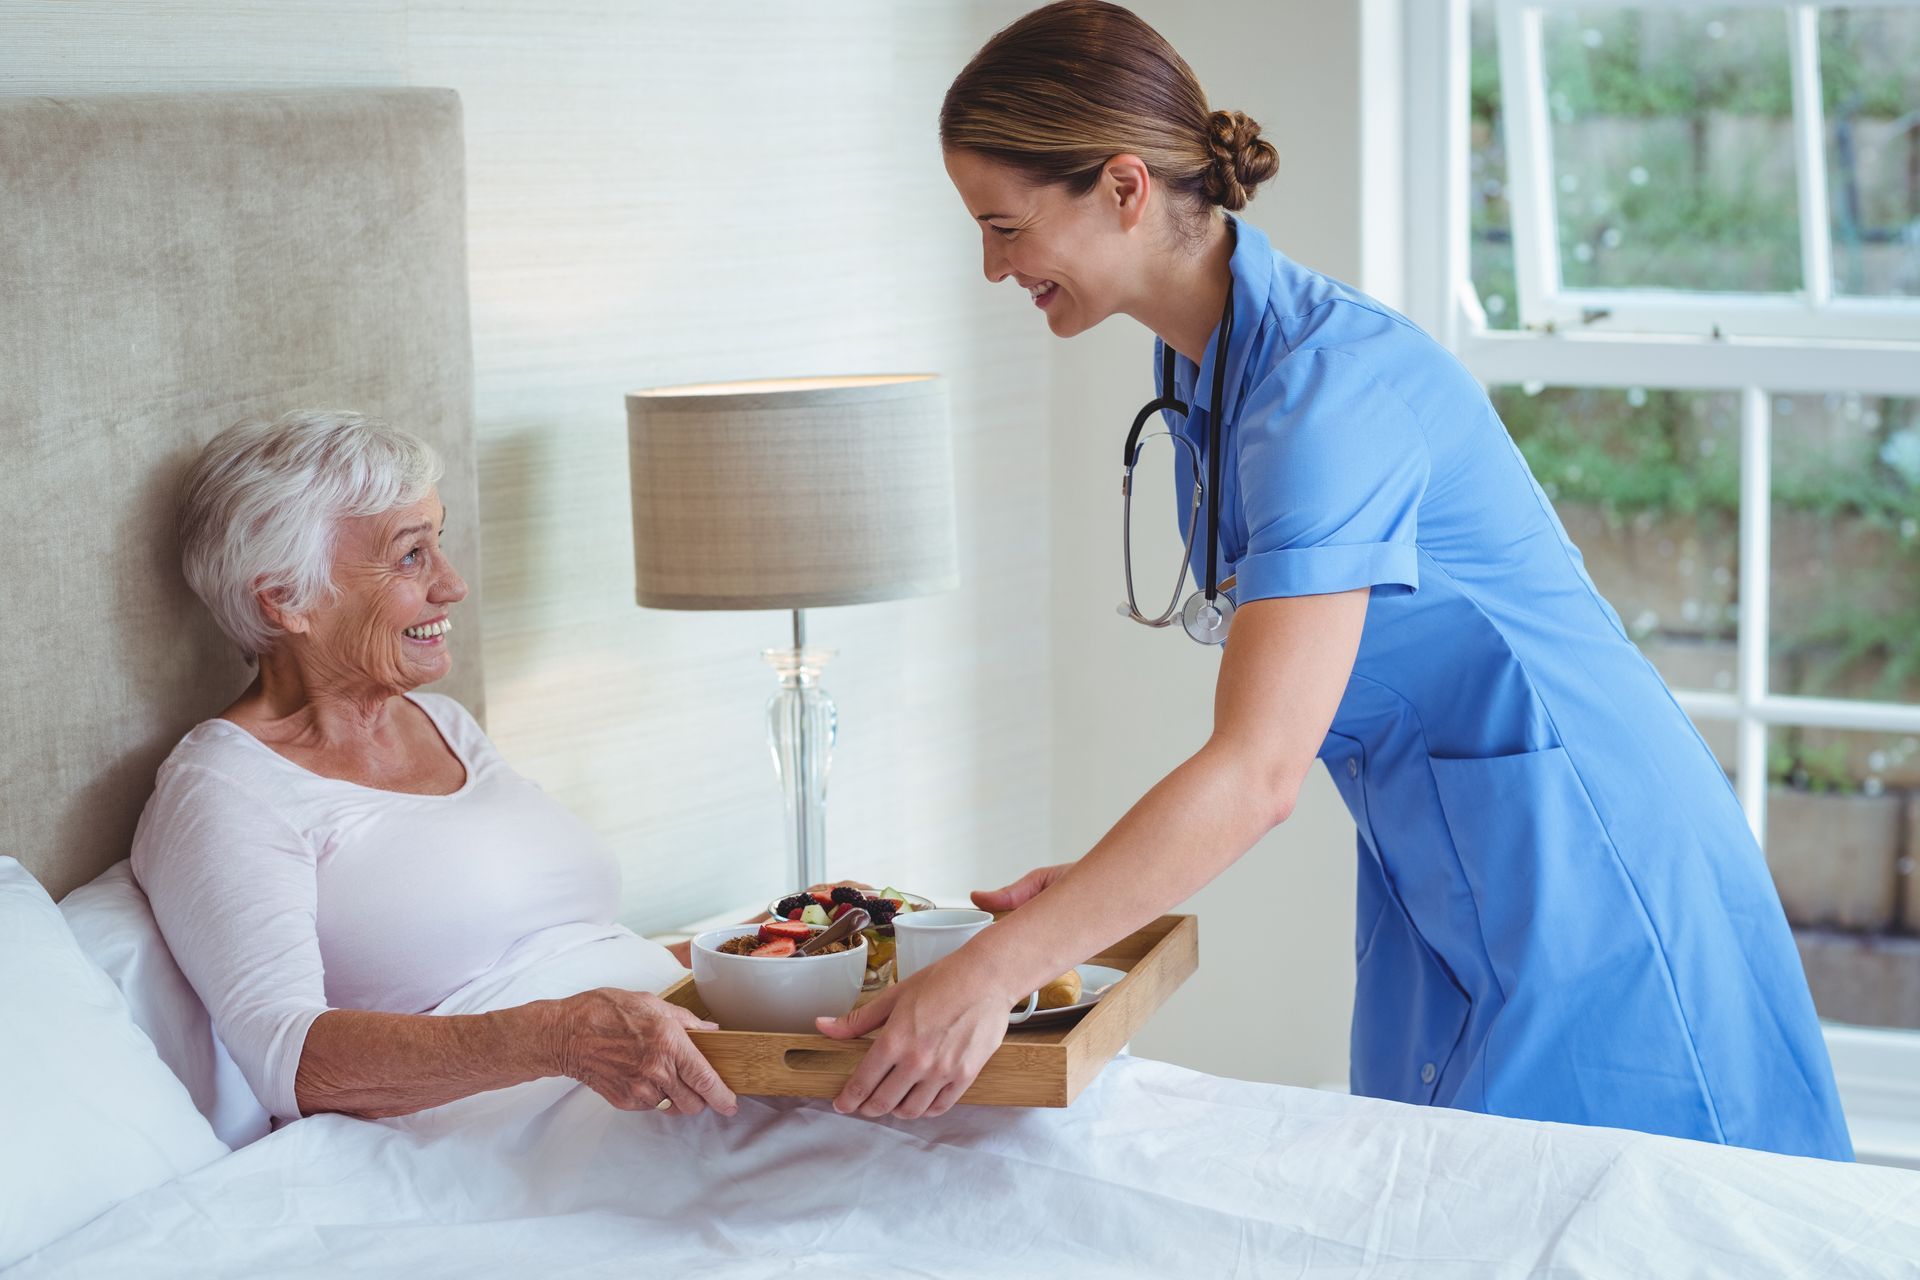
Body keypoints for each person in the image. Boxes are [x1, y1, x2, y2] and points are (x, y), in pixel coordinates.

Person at [817, 0, 1852, 1161]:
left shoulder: (1326, 393)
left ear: (1121, 187)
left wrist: (995, 968)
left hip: (1593, 864)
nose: (995, 265)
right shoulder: (1212, 369)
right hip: (1446, 863)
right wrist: (1087, 898)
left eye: (1005, 225)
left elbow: (1259, 769)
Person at [134, 410, 738, 1123]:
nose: (452, 585)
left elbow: (562, 956)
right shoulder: (225, 788)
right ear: (286, 600)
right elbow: (288, 1062)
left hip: (657, 1081)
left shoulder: (443, 722)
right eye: (411, 555)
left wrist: (763, 947)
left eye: (438, 543)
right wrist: (561, 1039)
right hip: (511, 1129)